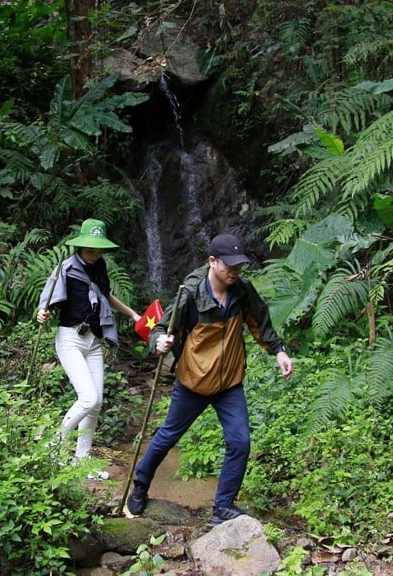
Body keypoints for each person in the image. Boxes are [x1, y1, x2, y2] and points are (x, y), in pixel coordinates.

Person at [125, 233, 294, 525]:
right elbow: (161, 329)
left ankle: (223, 507)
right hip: (193, 382)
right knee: (168, 435)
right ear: (212, 261)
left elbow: (259, 321)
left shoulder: (241, 290)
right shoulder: (190, 294)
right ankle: (140, 486)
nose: (234, 272)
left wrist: (278, 352)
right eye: (229, 266)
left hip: (229, 383)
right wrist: (160, 342)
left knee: (240, 442)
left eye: (238, 266)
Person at [37, 218, 141, 479]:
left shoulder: (100, 267)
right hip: (70, 338)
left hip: (94, 340)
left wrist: (133, 314)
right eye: (90, 249)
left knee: (96, 404)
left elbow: (106, 296)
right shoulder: (67, 268)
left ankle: (81, 462)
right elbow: (48, 295)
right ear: (80, 246)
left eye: (99, 250)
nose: (95, 254)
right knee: (88, 398)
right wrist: (42, 312)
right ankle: (54, 446)